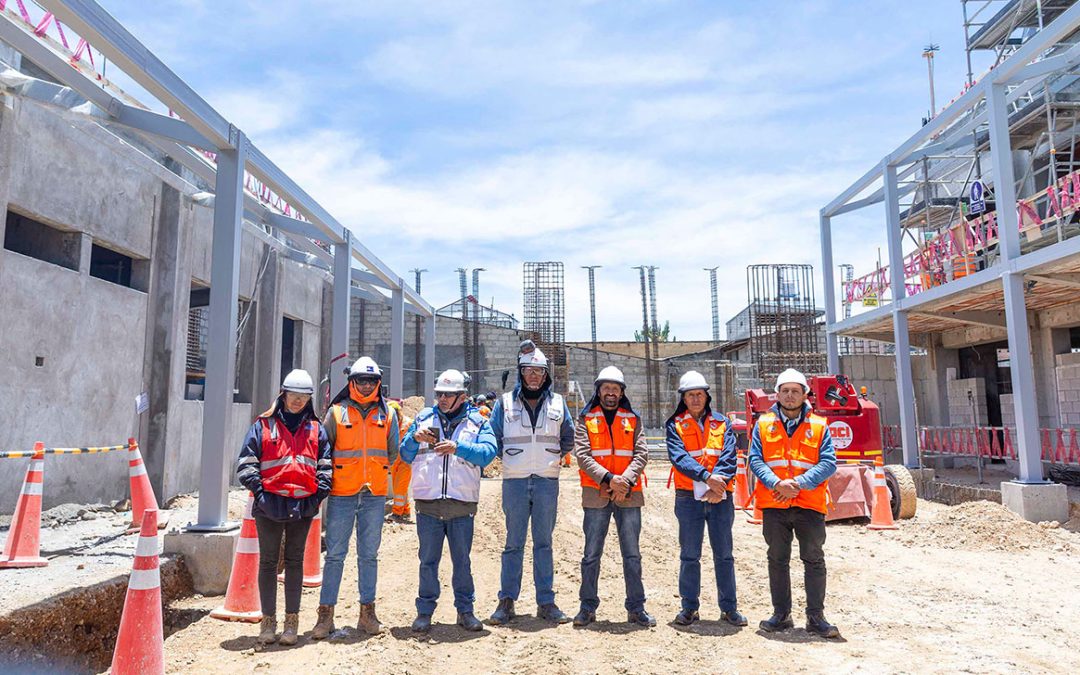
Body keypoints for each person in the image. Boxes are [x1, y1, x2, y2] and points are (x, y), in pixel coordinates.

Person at [236, 369, 331, 646]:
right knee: (267, 562)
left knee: (294, 561)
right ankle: (268, 622)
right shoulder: (263, 426)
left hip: (303, 506)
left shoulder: (316, 429)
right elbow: (246, 463)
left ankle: (292, 623)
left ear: (309, 399)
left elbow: (325, 466)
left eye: (303, 397)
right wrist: (260, 494)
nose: (297, 401)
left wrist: (317, 497)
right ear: (283, 395)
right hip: (269, 505)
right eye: (293, 395)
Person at [401, 369, 497, 633]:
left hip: (461, 503)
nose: (442, 399)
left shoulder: (478, 422)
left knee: (462, 561)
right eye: (440, 394)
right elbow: (405, 454)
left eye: (449, 395)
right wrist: (413, 438)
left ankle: (465, 611)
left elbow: (488, 453)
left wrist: (458, 447)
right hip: (428, 503)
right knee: (427, 562)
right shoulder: (423, 418)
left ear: (462, 396)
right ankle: (424, 612)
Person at [748, 368, 840, 638]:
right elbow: (755, 459)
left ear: (805, 394)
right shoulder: (764, 425)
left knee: (813, 559)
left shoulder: (819, 425)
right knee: (777, 559)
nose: (789, 395)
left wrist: (797, 484)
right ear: (777, 394)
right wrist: (777, 484)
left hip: (808, 503)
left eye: (795, 391)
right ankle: (781, 615)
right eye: (785, 390)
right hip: (775, 504)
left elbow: (829, 462)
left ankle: (816, 617)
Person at [311, 357, 399, 638]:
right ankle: (325, 616)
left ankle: (367, 613)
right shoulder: (336, 413)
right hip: (342, 493)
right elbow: (324, 450)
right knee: (335, 555)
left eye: (371, 381)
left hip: (374, 494)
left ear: (378, 383)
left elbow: (393, 451)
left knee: (369, 555)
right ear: (351, 382)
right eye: (361, 380)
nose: (366, 385)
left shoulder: (388, 415)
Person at [486, 347, 575, 626]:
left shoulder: (558, 403)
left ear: (545, 375)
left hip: (547, 481)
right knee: (513, 543)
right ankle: (507, 601)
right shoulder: (504, 403)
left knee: (544, 543)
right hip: (514, 480)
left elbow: (569, 437)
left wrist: (550, 458)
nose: (534, 376)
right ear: (521, 373)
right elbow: (494, 436)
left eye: (539, 371)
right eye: (528, 371)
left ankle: (546, 602)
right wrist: (513, 458)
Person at [572, 366, 654, 628]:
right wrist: (609, 479)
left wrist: (624, 480)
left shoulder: (633, 419)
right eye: (606, 388)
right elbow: (583, 456)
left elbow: (641, 453)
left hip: (628, 494)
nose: (610, 393)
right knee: (591, 554)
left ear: (621, 393)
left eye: (615, 389)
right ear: (599, 391)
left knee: (632, 554)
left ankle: (636, 607)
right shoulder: (585, 419)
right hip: (597, 494)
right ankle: (587, 607)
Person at [665, 370, 746, 627]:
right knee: (690, 554)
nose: (696, 399)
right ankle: (689, 608)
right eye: (691, 395)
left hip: (720, 496)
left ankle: (729, 608)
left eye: (699, 394)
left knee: (724, 554)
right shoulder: (675, 425)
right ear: (684, 399)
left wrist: (717, 484)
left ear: (706, 396)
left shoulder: (722, 423)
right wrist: (706, 478)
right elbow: (680, 459)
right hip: (688, 498)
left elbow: (729, 456)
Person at [386, 399, 414, 524]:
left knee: (399, 487)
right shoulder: (389, 424)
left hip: (406, 461)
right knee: (400, 488)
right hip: (394, 460)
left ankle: (397, 513)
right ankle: (406, 511)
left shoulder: (408, 424)